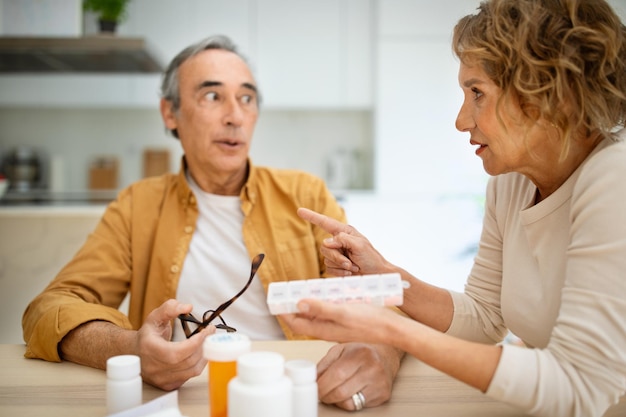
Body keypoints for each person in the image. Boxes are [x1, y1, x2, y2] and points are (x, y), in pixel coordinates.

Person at [21, 35, 403, 411]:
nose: (235, 116)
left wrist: (382, 354)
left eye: (247, 98)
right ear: (170, 113)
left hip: (291, 395)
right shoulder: (138, 205)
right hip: (181, 400)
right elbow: (49, 310)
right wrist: (130, 347)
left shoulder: (306, 194)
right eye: (212, 96)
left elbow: (383, 299)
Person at [281, 1, 626, 416]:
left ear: (552, 93)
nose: (462, 120)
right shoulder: (510, 184)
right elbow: (484, 318)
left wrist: (391, 329)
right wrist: (386, 277)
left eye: (478, 93)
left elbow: (579, 383)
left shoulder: (615, 177)